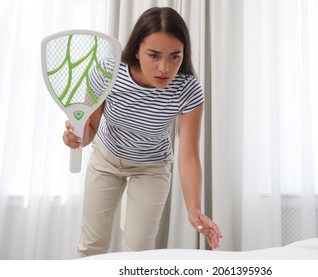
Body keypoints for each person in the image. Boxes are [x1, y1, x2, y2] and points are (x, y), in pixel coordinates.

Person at [62, 7, 222, 257]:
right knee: (91, 247)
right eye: (154, 55)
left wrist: (194, 208)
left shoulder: (188, 89)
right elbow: (90, 128)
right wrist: (76, 138)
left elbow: (189, 155)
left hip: (152, 167)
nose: (164, 68)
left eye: (174, 57)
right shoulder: (107, 73)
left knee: (140, 253)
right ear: (136, 50)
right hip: (106, 158)